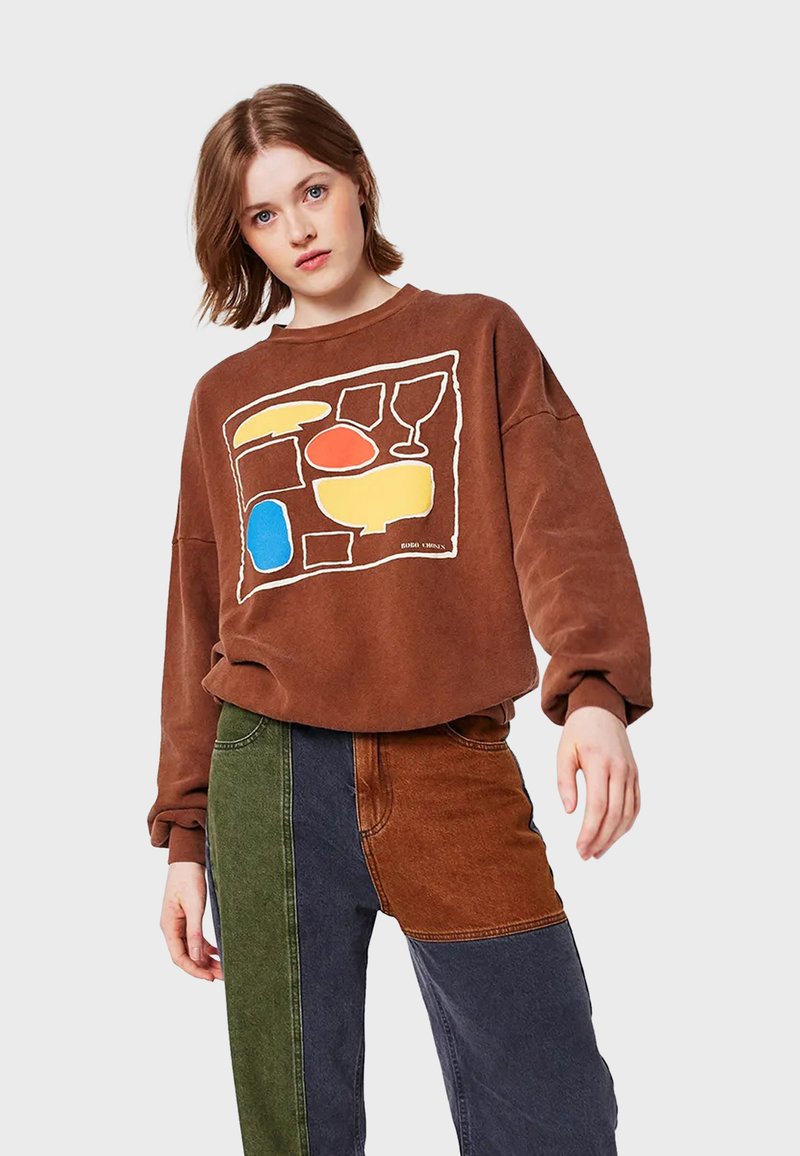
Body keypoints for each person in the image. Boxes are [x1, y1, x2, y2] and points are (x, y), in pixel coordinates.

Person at [147, 82, 652, 1155]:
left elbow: (560, 525)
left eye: (312, 191)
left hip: (448, 763)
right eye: (262, 215)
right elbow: (197, 616)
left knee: (554, 1111)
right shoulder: (224, 398)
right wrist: (185, 837)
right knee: (297, 1131)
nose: (298, 229)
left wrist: (594, 692)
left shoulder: (475, 334)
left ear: (358, 182)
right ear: (242, 237)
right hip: (270, 776)